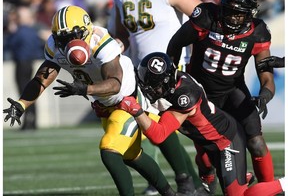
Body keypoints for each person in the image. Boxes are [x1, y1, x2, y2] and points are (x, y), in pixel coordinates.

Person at [3, 5, 181, 196]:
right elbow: (41, 79)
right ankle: (170, 193)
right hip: (104, 104)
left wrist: (84, 88)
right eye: (62, 38)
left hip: (128, 101)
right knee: (132, 155)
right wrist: (22, 104)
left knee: (110, 151)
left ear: (85, 30)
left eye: (72, 36)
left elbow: (115, 83)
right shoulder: (55, 46)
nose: (67, 43)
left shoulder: (100, 42)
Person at [116, 52, 287, 195]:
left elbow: (158, 136)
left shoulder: (184, 97)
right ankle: (238, 176)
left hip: (225, 141)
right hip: (206, 141)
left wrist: (136, 110)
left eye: (155, 86)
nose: (149, 89)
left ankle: (283, 184)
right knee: (210, 172)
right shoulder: (171, 84)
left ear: (167, 82)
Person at [166, 0, 278, 192]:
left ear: (250, 14)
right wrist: (174, 79)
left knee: (256, 143)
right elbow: (175, 44)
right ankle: (207, 172)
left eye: (239, 13)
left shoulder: (258, 32)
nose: (233, 17)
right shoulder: (206, 18)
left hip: (232, 91)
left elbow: (266, 75)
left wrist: (264, 95)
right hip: (200, 93)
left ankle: (268, 188)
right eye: (230, 11)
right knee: (208, 154)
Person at [109, 0, 206, 194]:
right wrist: (112, 48)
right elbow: (122, 33)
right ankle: (192, 183)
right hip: (143, 74)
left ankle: (197, 181)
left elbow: (204, 17)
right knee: (160, 127)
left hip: (172, 70)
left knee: (191, 129)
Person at [5, 6, 44, 130]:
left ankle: (28, 122)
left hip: (22, 64)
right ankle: (32, 121)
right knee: (30, 92)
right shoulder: (33, 31)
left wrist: (11, 31)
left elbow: (9, 44)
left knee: (24, 93)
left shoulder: (20, 31)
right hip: (30, 63)